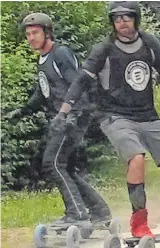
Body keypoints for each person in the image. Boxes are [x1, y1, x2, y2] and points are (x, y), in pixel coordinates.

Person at [51, 1, 160, 238]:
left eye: (127, 18)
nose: (122, 23)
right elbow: (81, 80)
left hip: (147, 115)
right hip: (114, 116)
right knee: (136, 158)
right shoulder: (104, 49)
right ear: (112, 23)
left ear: (136, 19)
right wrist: (63, 112)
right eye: (117, 19)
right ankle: (139, 222)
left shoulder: (150, 44)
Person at [5, 13, 112, 225]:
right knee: (66, 168)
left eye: (35, 33)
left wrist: (71, 114)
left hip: (73, 116)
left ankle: (77, 214)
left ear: (47, 32)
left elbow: (78, 84)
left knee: (52, 164)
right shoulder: (42, 59)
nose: (31, 38)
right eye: (27, 34)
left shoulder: (60, 53)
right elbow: (43, 91)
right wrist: (23, 111)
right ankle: (100, 211)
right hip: (61, 119)